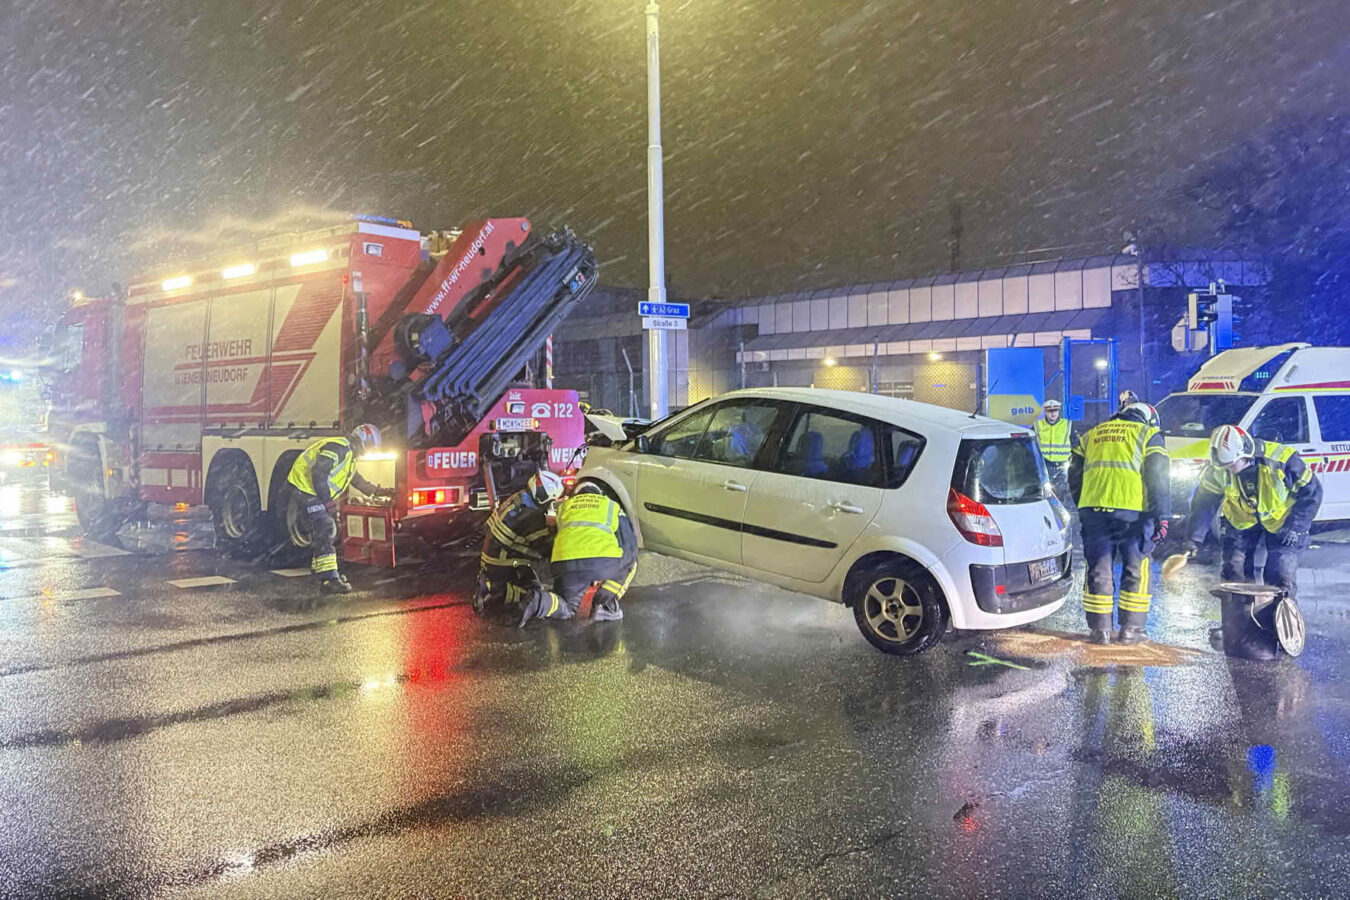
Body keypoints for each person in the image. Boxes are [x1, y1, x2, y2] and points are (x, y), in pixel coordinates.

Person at [1176, 424, 1321, 598]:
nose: (1228, 469)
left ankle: (1279, 613)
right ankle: (1238, 613)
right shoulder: (1217, 469)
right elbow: (1204, 504)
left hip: (1283, 522)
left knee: (1280, 574)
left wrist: (1296, 527)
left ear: (1245, 454)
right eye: (1224, 466)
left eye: (1231, 464)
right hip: (1241, 521)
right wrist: (1194, 538)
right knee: (1234, 574)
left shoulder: (1282, 460)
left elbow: (1312, 493)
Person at [1068, 402, 1170, 644]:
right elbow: (1158, 477)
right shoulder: (1148, 434)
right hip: (1133, 513)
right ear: (1148, 419)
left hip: (1094, 510)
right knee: (1136, 567)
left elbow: (1074, 474)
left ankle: (1100, 630)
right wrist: (1162, 515)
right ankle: (1131, 630)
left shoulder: (1092, 434)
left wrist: (1083, 503)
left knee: (1098, 567)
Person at [287, 423, 392, 594]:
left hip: (311, 490)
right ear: (363, 440)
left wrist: (379, 491)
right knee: (325, 528)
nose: (368, 451)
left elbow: (356, 480)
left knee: (326, 529)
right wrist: (327, 501)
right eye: (369, 446)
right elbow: (319, 474)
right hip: (305, 488)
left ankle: (322, 571)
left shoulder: (349, 455)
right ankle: (329, 580)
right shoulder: (339, 448)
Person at [519, 483, 637, 626]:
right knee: (631, 563)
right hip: (599, 563)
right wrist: (613, 573)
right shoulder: (611, 506)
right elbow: (629, 544)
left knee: (567, 606)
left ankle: (538, 601)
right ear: (599, 494)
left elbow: (558, 536)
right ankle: (605, 605)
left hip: (565, 563)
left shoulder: (565, 507)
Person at [474, 470, 564, 614]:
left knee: (532, 582)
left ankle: (492, 582)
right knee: (533, 594)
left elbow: (487, 527)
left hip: (491, 555)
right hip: (504, 561)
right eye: (552, 501)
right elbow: (543, 548)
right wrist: (559, 535)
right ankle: (493, 592)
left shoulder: (520, 497)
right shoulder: (532, 516)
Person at [1034, 399, 1073, 501]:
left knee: (1062, 493)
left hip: (1062, 465)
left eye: (1055, 411)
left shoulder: (1067, 425)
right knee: (1044, 492)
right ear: (1045, 412)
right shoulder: (1037, 425)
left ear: (1059, 411)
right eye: (1049, 411)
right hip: (1045, 464)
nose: (1053, 414)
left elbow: (1075, 443)